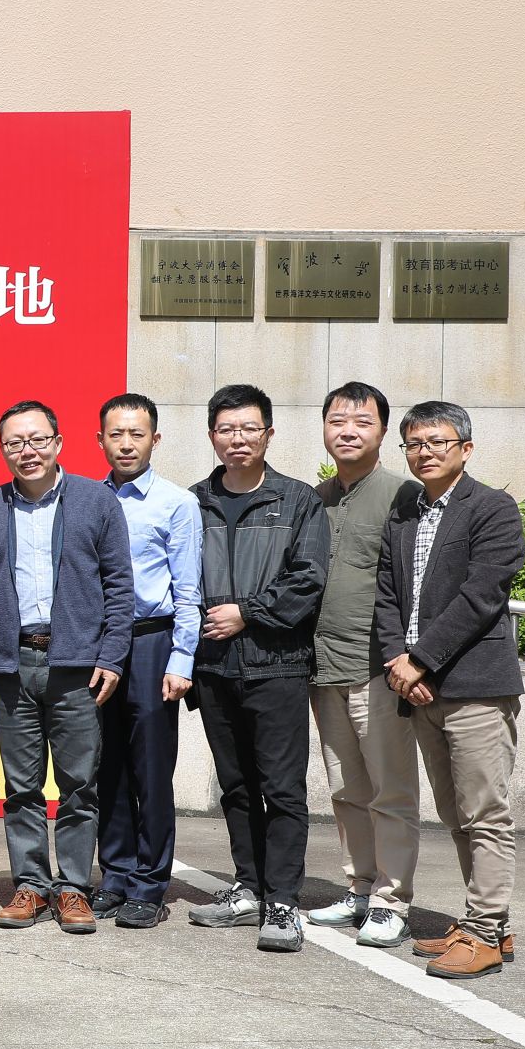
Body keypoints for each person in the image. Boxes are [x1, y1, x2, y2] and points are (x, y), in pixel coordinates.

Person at [375, 402, 525, 980]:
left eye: (437, 441)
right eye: (414, 443)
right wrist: (400, 663)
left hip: (475, 687)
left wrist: (420, 661)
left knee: (485, 813)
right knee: (456, 813)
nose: (425, 452)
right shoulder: (405, 512)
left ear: (465, 448)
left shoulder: (492, 508)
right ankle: (488, 923)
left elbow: (482, 596)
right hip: (420, 687)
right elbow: (388, 594)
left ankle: (485, 932)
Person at [0, 400, 132, 935]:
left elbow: (119, 585)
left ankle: (72, 888)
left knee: (79, 785)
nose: (28, 451)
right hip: (12, 664)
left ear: (59, 443)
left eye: (38, 439)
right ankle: (30, 884)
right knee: (20, 786)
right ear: (3, 450)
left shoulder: (95, 500)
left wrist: (111, 655)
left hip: (76, 666)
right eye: (15, 442)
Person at [185, 384, 328, 953]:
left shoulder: (297, 502)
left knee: (283, 789)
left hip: (278, 666)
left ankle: (283, 901)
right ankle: (248, 887)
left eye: (249, 428)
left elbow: (308, 579)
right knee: (236, 786)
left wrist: (246, 612)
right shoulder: (193, 502)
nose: (237, 439)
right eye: (227, 429)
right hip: (214, 669)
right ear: (212, 436)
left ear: (268, 434)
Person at [307, 382, 420, 948]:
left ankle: (391, 900)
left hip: (379, 666)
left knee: (390, 790)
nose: (347, 431)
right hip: (323, 665)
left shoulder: (405, 496)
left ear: (382, 431)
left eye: (362, 421)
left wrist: (410, 658)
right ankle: (358, 888)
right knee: (345, 789)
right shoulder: (316, 498)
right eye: (337, 420)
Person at [92, 394, 201, 930]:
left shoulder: (177, 503)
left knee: (151, 769)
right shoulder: (88, 499)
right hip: (98, 647)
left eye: (137, 434)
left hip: (152, 642)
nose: (126, 444)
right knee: (106, 765)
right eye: (116, 434)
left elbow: (188, 590)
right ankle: (115, 875)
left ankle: (150, 883)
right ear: (100, 440)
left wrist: (182, 658)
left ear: (155, 440)